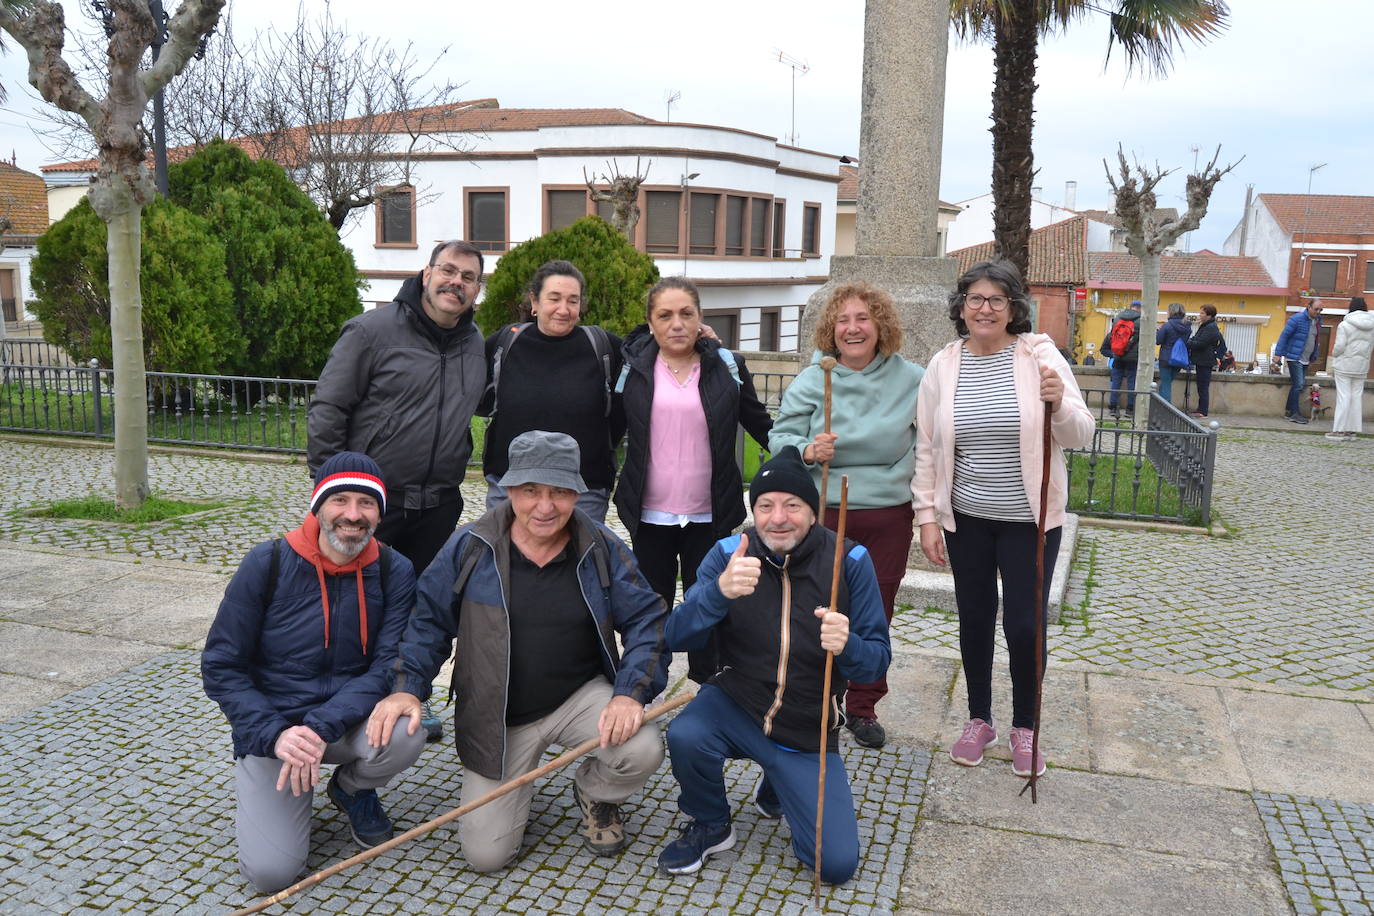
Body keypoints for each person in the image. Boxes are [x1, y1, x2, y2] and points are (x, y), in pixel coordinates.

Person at [368, 431, 668, 872]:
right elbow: (427, 620)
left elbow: (648, 618)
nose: (545, 507)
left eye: (559, 492)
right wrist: (407, 687)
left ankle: (595, 791)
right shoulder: (471, 546)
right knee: (486, 856)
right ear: (509, 490)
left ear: (576, 494)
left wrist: (629, 693)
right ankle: (512, 792)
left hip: (579, 697)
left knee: (641, 748)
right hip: (499, 715)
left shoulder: (599, 545)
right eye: (531, 491)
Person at [657, 447, 889, 884]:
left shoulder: (850, 561)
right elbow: (675, 636)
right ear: (755, 511)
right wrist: (718, 593)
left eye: (792, 505)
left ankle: (778, 784)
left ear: (813, 512)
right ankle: (711, 824)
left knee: (834, 865)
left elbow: (876, 661)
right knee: (685, 734)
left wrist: (848, 645)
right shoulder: (729, 553)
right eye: (765, 505)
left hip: (805, 726)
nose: (778, 518)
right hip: (736, 705)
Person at [202, 452, 425, 894]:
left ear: (380, 512)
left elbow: (387, 666)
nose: (352, 515)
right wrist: (278, 734)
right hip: (276, 729)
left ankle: (352, 788)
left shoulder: (393, 569)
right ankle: (287, 786)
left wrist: (320, 728)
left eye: (367, 503)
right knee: (270, 874)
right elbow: (222, 666)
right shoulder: (267, 563)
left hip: (343, 722)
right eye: (340, 500)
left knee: (407, 729)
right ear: (318, 505)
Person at [912, 259, 1094, 779]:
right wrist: (927, 516)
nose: (985, 308)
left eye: (996, 299)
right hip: (966, 520)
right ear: (962, 308)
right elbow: (926, 446)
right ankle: (979, 719)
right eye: (975, 299)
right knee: (973, 622)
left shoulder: (1038, 356)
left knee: (1023, 624)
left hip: (1029, 523)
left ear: (1013, 307)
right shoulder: (943, 365)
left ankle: (1025, 726)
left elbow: (1082, 434)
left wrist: (1059, 406)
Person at [769, 281, 923, 749]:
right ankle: (814, 698)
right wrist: (808, 450)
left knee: (876, 611)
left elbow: (930, 443)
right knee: (817, 609)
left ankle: (862, 706)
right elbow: (779, 439)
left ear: (880, 326)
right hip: (826, 513)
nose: (853, 328)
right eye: (843, 320)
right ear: (831, 330)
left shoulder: (913, 379)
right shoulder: (816, 378)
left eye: (863, 319)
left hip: (886, 514)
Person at [614, 277, 773, 684]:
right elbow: (607, 430)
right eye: (664, 315)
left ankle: (710, 686)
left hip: (711, 513)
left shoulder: (726, 367)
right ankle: (646, 682)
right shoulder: (632, 368)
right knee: (652, 606)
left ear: (701, 318)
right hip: (650, 514)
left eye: (686, 314)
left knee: (711, 603)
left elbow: (760, 423)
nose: (677, 323)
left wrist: (802, 453)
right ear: (650, 322)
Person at [308, 240, 487, 576]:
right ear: (427, 274)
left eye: (468, 276)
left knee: (421, 609)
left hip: (439, 506)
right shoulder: (370, 331)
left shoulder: (475, 343)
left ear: (477, 289)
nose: (456, 282)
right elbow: (328, 409)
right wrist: (331, 489)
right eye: (448, 270)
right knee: (354, 599)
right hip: (373, 501)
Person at [481, 260, 625, 523]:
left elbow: (653, 359)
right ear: (534, 302)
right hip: (510, 487)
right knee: (505, 562)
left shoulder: (604, 347)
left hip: (584, 490)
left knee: (577, 563)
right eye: (554, 298)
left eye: (573, 300)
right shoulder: (506, 342)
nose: (563, 309)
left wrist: (699, 339)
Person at [1328, 297, 1374, 440]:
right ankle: (1352, 431)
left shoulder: (1345, 325)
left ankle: (1339, 430)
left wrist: (1334, 354)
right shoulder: (1372, 325)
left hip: (1345, 364)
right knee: (1356, 397)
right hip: (1361, 366)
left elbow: (1339, 347)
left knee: (1344, 396)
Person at [1274, 299, 1325, 424]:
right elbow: (1284, 336)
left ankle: (1289, 411)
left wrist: (1314, 356)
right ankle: (1294, 413)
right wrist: (1278, 354)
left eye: (1320, 310)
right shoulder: (1296, 319)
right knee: (1298, 384)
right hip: (1294, 357)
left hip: (1305, 359)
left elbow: (1315, 340)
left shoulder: (1318, 322)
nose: (1318, 312)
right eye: (1316, 309)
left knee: (1298, 386)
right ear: (1308, 307)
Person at [1102, 300, 1142, 418]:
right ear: (1140, 308)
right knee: (1132, 383)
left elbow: (1112, 336)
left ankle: (1113, 407)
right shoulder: (1141, 321)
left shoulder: (1118, 317)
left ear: (1130, 307)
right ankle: (1130, 409)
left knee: (1116, 382)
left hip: (1118, 355)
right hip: (1133, 359)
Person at [1185, 304, 1222, 418]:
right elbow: (1197, 339)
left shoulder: (1210, 327)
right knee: (1201, 386)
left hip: (1205, 361)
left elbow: (1200, 343)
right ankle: (1200, 409)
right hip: (1202, 360)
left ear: (1209, 315)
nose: (1199, 315)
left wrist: (1188, 342)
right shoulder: (1206, 326)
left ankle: (1202, 411)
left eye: (1202, 313)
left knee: (1203, 387)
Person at [1155, 302, 1192, 406]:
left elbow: (1158, 340)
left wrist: (1158, 332)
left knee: (1166, 384)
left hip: (1166, 358)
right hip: (1179, 358)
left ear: (1170, 312)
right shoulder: (1187, 327)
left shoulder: (1167, 326)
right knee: (1166, 383)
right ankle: (1159, 405)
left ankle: (1167, 409)